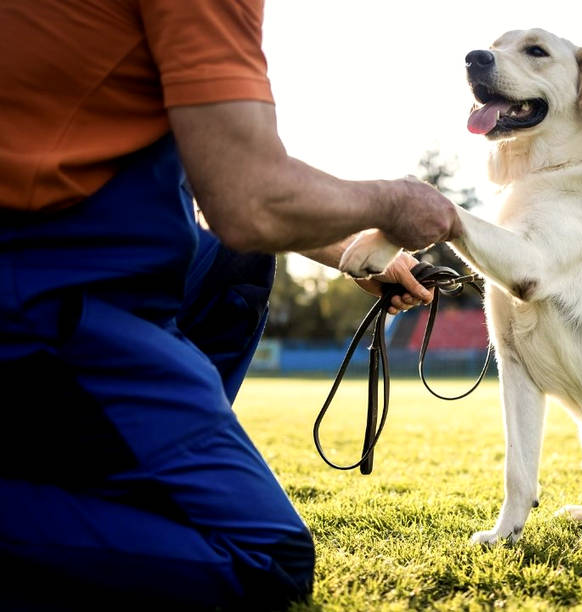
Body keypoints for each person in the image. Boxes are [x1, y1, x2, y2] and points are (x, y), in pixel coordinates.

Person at [0, 1, 461, 609]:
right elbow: (248, 197)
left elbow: (219, 193)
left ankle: (117, 479)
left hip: (59, 270)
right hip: (49, 294)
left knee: (234, 257)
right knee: (264, 560)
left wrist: (355, 249)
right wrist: (392, 203)